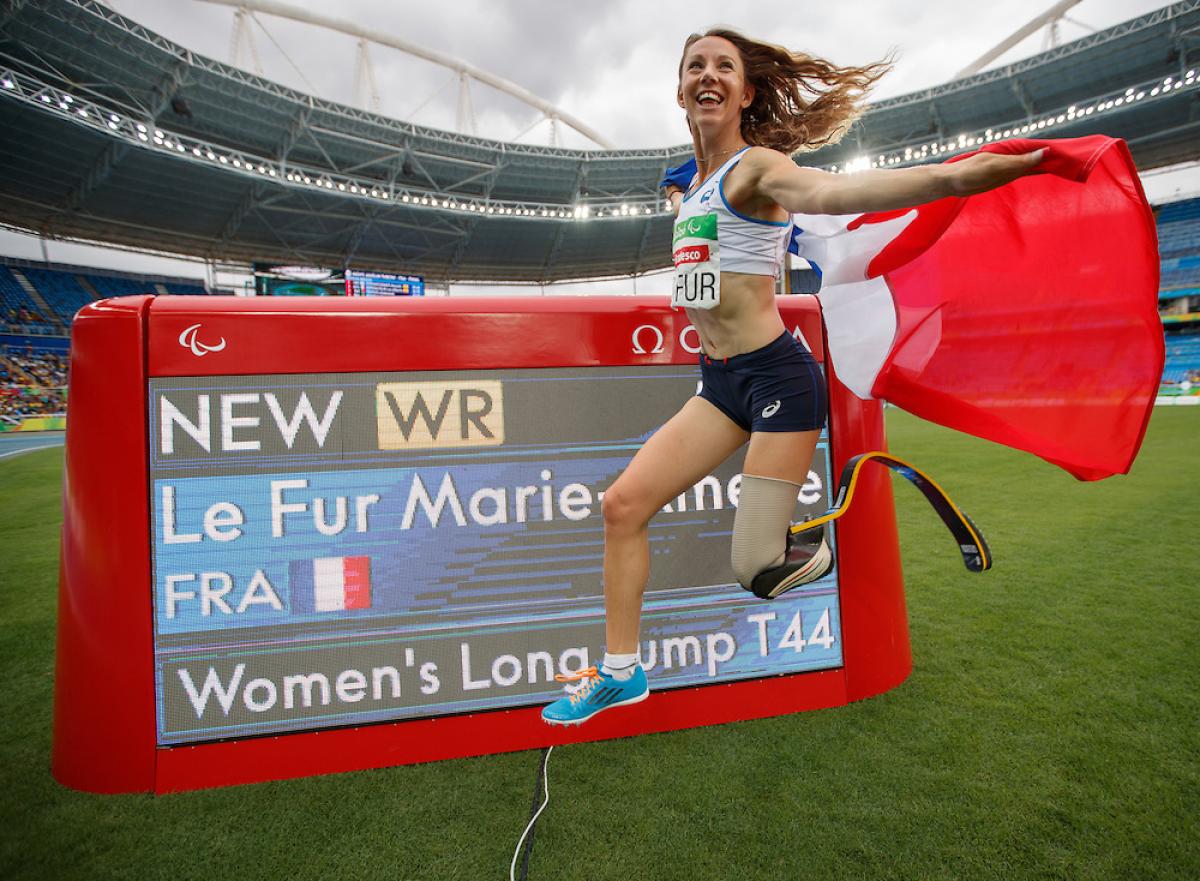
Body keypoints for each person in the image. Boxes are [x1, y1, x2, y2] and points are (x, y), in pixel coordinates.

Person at [541, 28, 1045, 726]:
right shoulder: (685, 187)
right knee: (622, 507)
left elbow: (842, 191)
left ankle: (803, 537)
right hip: (719, 384)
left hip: (779, 380)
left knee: (757, 571)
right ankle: (623, 674)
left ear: (746, 93)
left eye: (724, 66)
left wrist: (966, 175)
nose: (707, 74)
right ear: (681, 90)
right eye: (695, 66)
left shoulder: (759, 170)